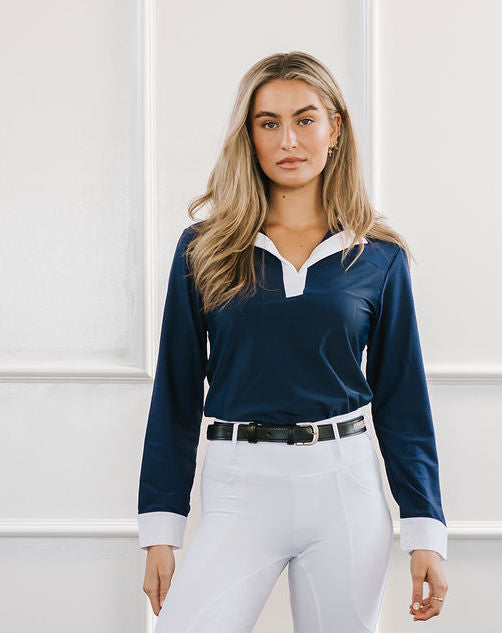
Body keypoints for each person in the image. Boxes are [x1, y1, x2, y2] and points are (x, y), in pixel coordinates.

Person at [137, 50, 448, 632]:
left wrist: (426, 531)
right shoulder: (204, 247)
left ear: (335, 130)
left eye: (306, 119)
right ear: (249, 136)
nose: (289, 140)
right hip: (237, 486)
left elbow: (404, 401)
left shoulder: (377, 255)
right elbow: (175, 394)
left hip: (346, 488)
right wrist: (161, 528)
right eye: (269, 123)